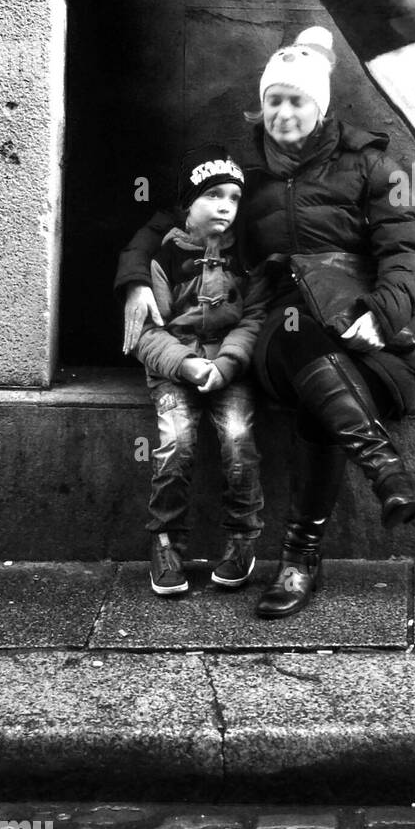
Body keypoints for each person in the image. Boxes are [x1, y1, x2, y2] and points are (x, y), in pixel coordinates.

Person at [117, 26, 415, 619]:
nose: (284, 112)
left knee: (326, 387)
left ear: (320, 107)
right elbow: (167, 219)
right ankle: (384, 471)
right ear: (260, 106)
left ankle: (300, 555)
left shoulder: (370, 166)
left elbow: (411, 252)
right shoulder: (243, 171)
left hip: (373, 333)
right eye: (274, 100)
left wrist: (385, 311)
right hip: (278, 336)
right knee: (292, 323)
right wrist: (137, 279)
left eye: (297, 100)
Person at [128, 144, 268, 597]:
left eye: (233, 197)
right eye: (213, 196)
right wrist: (186, 363)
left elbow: (255, 318)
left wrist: (226, 365)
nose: (225, 206)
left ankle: (242, 537)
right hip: (175, 368)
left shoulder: (247, 256)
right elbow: (148, 334)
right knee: (175, 442)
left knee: (237, 438)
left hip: (231, 367)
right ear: (187, 205)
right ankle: (167, 541)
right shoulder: (162, 256)